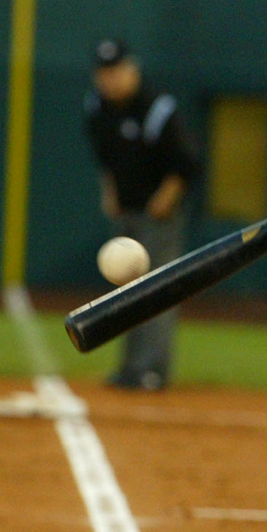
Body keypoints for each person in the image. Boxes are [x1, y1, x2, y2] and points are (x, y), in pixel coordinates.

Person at [84, 38, 198, 390]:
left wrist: (165, 199)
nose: (109, 79)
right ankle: (130, 368)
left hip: (158, 214)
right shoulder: (97, 107)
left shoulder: (157, 108)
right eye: (103, 72)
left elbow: (188, 162)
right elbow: (104, 158)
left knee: (157, 291)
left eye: (115, 71)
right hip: (127, 212)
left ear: (131, 69)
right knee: (124, 294)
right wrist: (110, 192)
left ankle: (153, 370)